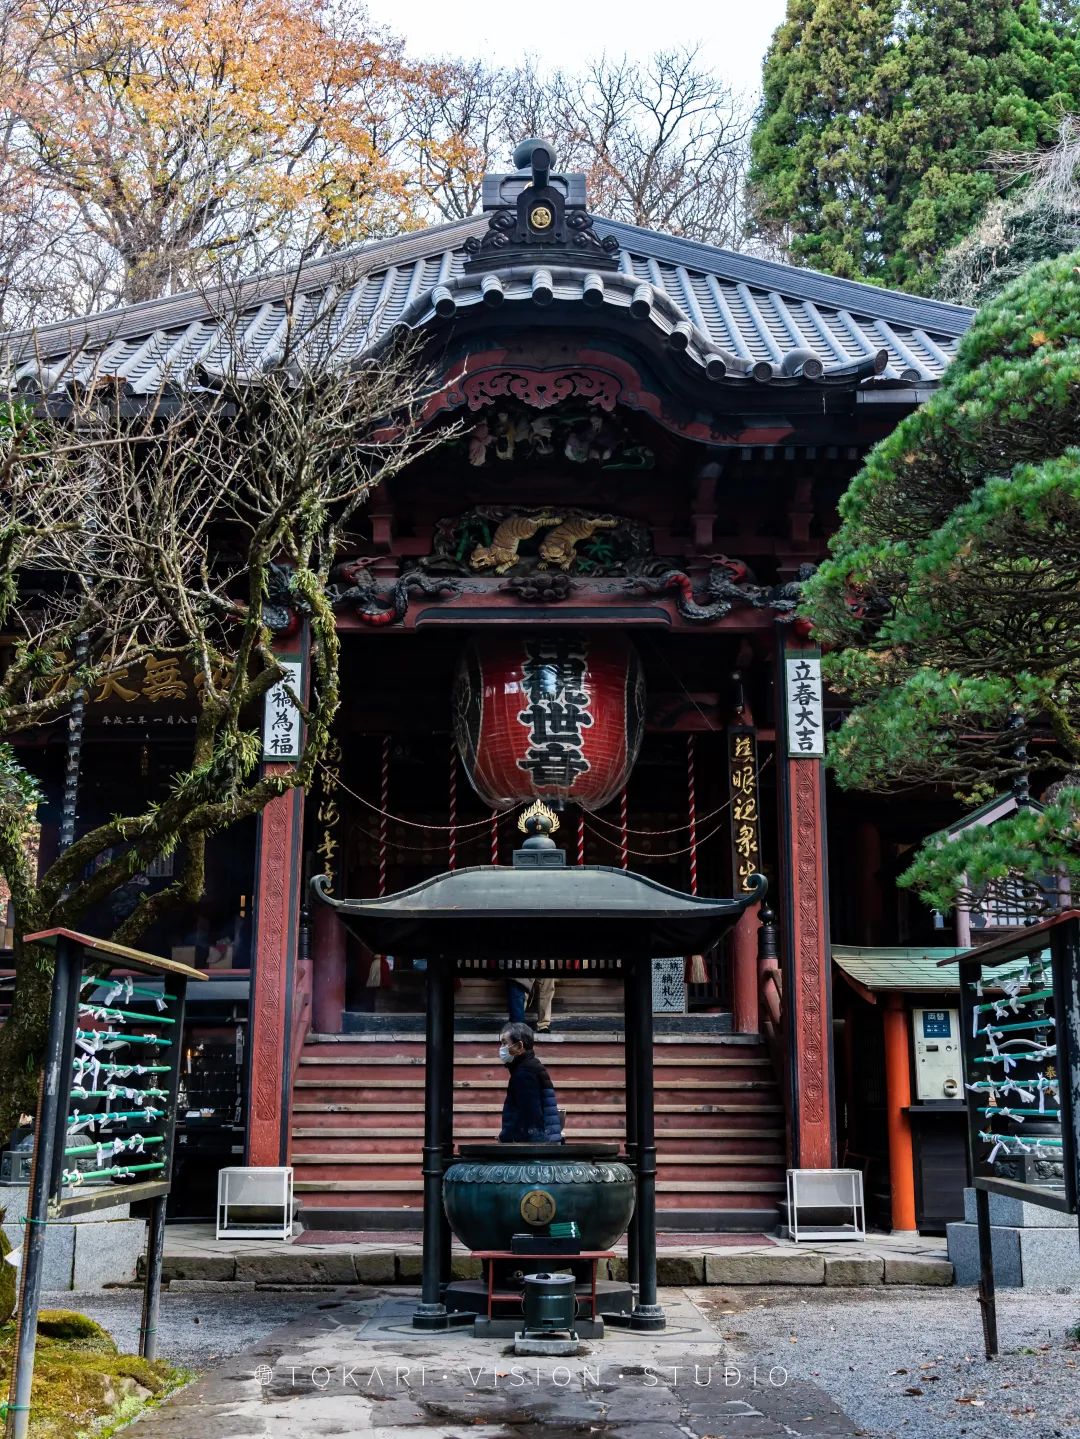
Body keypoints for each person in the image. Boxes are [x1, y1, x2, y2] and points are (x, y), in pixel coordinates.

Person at [497, 1022, 563, 1143]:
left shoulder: (524, 1073)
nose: (501, 1048)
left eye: (505, 1043)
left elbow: (531, 1116)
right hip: (546, 1141)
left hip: (534, 1146)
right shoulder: (533, 1066)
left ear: (519, 1046)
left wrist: (506, 1137)